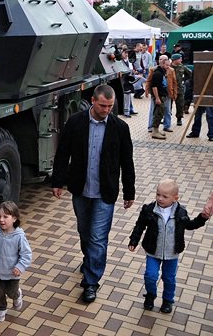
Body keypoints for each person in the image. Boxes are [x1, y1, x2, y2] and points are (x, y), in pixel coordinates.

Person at [51, 84, 135, 303]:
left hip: (104, 193)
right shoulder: (75, 123)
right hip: (80, 189)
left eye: (110, 105)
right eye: (103, 105)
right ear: (92, 100)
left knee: (98, 239)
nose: (107, 110)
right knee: (84, 232)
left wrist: (129, 191)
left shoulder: (120, 128)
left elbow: (127, 162)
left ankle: (91, 283)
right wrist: (57, 181)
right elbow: (62, 154)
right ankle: (90, 260)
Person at [128, 179, 209, 313]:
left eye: (165, 196)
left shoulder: (180, 212)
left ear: (175, 198)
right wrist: (133, 240)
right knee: (150, 275)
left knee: (169, 278)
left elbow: (190, 225)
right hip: (153, 251)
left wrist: (202, 218)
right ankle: (150, 295)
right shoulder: (149, 209)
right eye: (158, 194)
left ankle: (167, 300)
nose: (160, 198)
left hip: (172, 253)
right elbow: (140, 226)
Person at [0, 201, 32, 322]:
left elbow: (26, 254)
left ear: (14, 218)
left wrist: (20, 267)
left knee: (11, 292)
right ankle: (1, 309)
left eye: (5, 217)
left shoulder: (19, 236)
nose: (1, 220)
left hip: (13, 273)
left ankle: (17, 295)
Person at [146, 55, 176, 139]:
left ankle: (157, 130)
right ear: (162, 64)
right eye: (167, 65)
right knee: (157, 114)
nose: (168, 67)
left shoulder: (163, 72)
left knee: (161, 113)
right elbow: (154, 86)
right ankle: (154, 131)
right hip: (159, 97)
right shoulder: (158, 73)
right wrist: (157, 98)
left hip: (163, 96)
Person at [170, 53, 192, 126]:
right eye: (180, 58)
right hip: (170, 89)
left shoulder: (182, 67)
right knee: (168, 105)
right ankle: (167, 118)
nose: (181, 60)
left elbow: (190, 73)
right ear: (175, 60)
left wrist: (184, 80)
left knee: (180, 105)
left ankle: (179, 119)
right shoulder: (168, 67)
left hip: (179, 89)